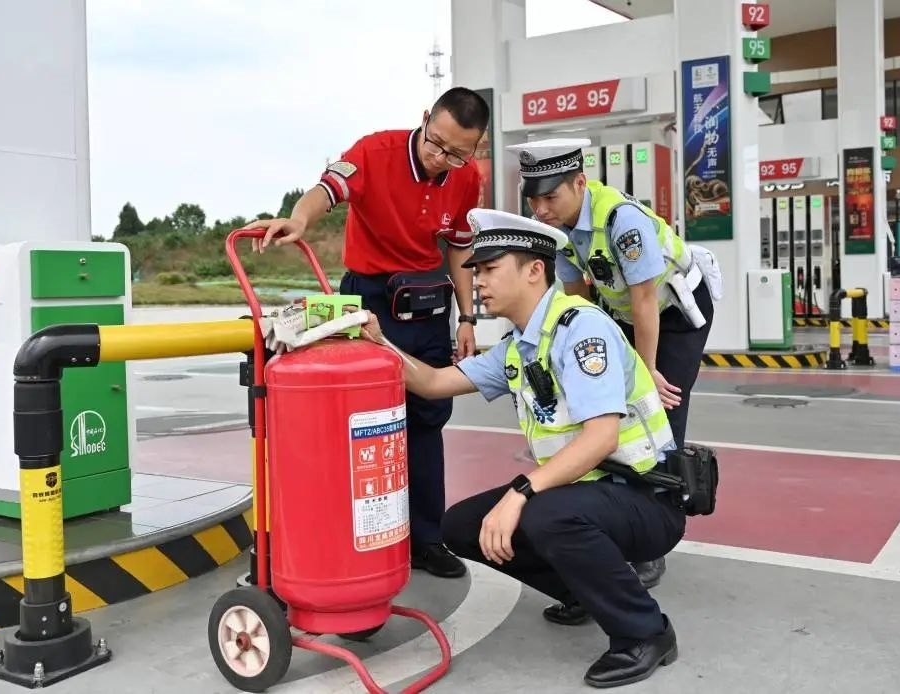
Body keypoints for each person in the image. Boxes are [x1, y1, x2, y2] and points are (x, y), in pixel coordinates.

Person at [355, 208, 684, 689]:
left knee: (540, 514)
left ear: (535, 270)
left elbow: (602, 437)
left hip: (644, 496)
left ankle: (647, 632)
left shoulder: (580, 329)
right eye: (477, 271)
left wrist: (520, 492)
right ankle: (584, 591)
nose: (479, 282)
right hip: (585, 492)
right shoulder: (520, 346)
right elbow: (431, 382)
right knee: (462, 527)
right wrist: (380, 341)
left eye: (489, 269)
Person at [243, 87, 492, 579]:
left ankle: (425, 538)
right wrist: (299, 218)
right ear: (424, 120)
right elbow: (328, 191)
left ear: (474, 150)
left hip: (428, 304)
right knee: (360, 422)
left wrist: (467, 317)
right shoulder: (374, 152)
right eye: (435, 143)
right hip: (370, 300)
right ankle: (356, 537)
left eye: (456, 153)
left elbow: (460, 248)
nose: (441, 159)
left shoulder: (466, 179)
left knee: (427, 421)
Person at [506, 137, 718, 599]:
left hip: (674, 316)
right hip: (624, 314)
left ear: (579, 183)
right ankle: (607, 522)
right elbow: (577, 301)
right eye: (533, 199)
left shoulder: (623, 221)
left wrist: (647, 371)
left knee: (658, 416)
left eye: (551, 197)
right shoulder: (559, 231)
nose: (541, 209)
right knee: (604, 415)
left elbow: (645, 302)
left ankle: (650, 542)